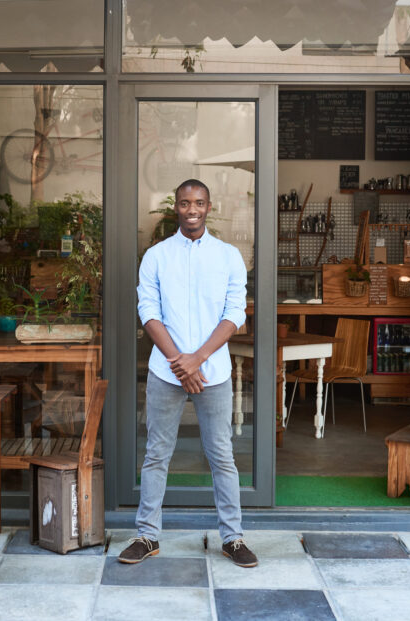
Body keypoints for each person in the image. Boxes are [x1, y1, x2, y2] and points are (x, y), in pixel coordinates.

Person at [118, 179, 258, 568]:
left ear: (209, 207)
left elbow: (235, 314)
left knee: (221, 456)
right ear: (175, 207)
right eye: (184, 203)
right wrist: (181, 361)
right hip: (167, 372)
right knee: (156, 454)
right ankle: (147, 536)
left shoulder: (228, 256)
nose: (191, 209)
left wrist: (197, 359)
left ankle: (232, 538)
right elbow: (148, 312)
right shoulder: (157, 256)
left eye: (198, 203)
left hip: (213, 371)